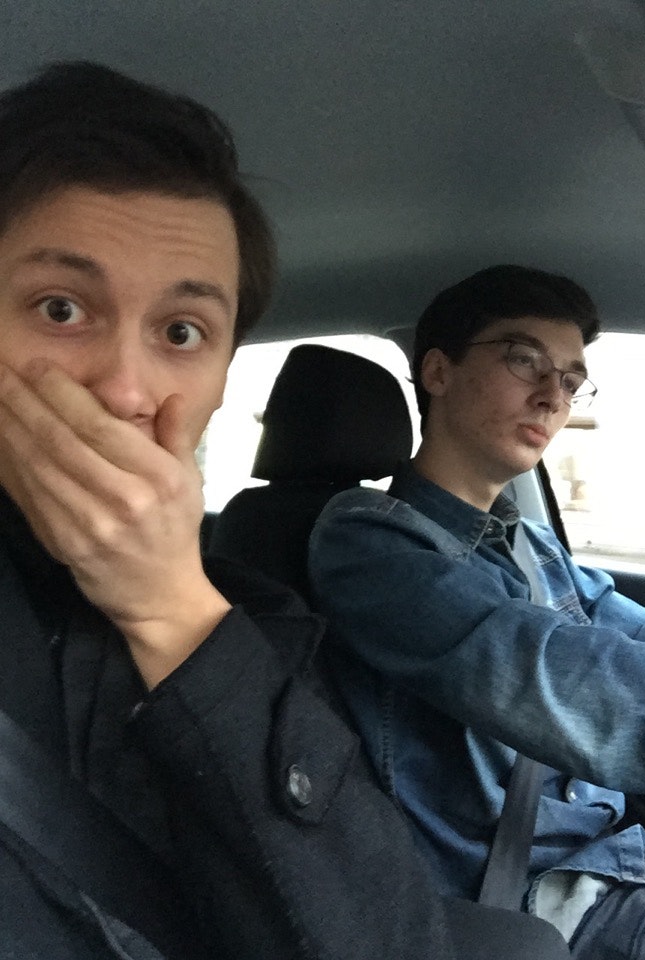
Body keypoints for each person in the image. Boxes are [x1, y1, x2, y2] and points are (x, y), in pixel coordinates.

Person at [0, 66, 569, 959]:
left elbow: (386, 940)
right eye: (61, 308)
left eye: (181, 331)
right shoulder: (369, 542)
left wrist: (173, 615)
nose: (126, 390)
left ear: (223, 378)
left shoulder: (254, 621)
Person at [308, 263, 645, 960]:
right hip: (540, 899)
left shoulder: (528, 543)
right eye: (524, 359)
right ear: (438, 371)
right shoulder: (368, 543)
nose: (552, 397)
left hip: (626, 857)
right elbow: (552, 672)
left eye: (570, 380)